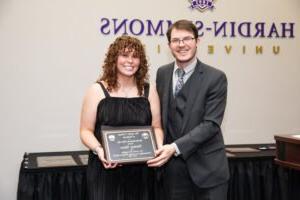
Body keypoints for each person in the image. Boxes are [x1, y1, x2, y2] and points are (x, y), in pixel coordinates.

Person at [147, 19, 230, 200]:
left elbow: (211, 124)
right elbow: (158, 118)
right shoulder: (162, 73)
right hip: (172, 172)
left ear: (197, 41)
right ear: (169, 45)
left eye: (187, 39)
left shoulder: (215, 78)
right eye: (176, 40)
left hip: (208, 172)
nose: (181, 45)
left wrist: (175, 147)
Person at [80, 35, 163, 200]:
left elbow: (157, 127)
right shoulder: (96, 90)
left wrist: (158, 148)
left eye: (135, 56)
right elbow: (85, 130)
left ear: (141, 62)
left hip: (141, 173)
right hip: (105, 170)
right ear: (114, 59)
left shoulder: (149, 90)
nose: (130, 61)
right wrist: (99, 150)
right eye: (124, 55)